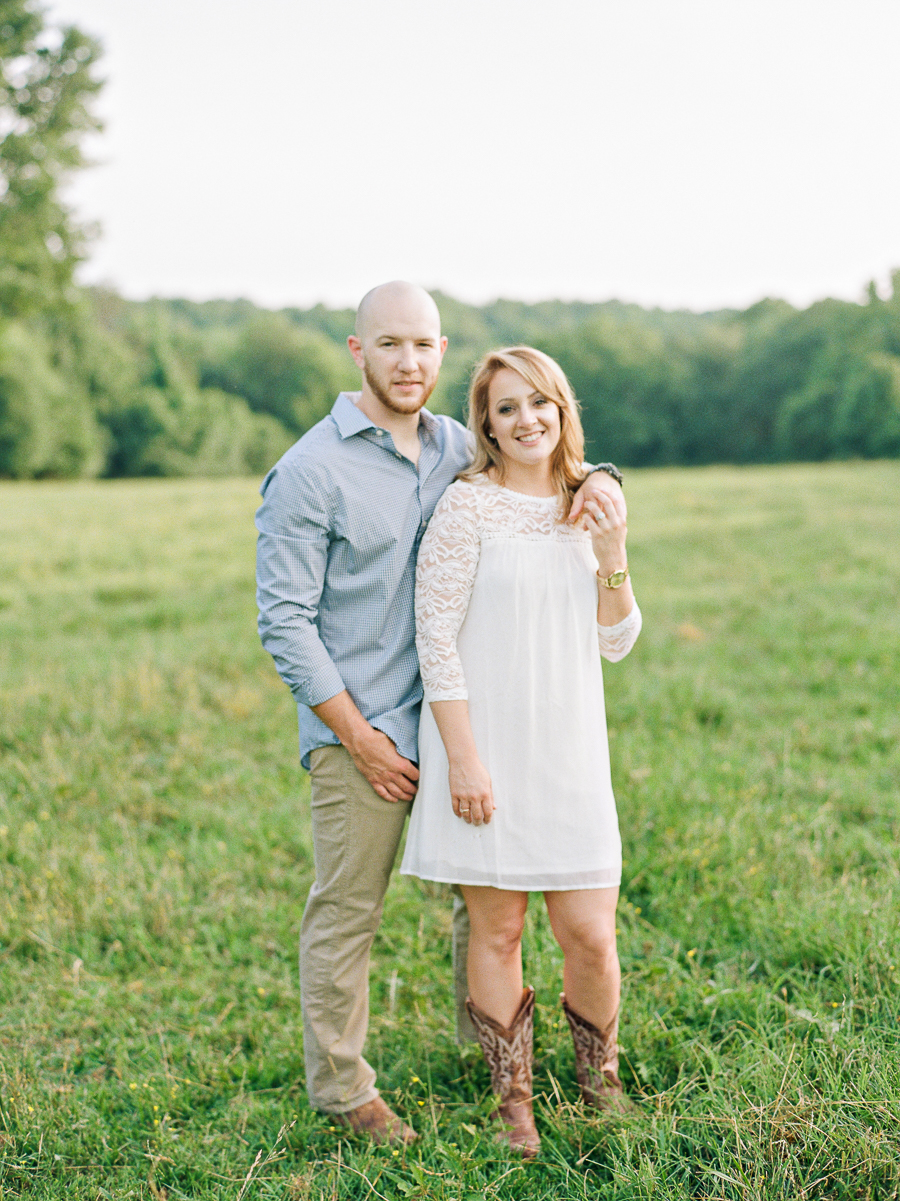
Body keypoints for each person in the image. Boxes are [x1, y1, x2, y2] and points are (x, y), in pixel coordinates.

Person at [256, 283, 625, 1145]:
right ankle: (345, 1090)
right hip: (368, 724)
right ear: (357, 351)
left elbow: (547, 458)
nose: (408, 361)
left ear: (440, 349)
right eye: (389, 345)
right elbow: (284, 622)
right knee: (349, 909)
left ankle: (491, 1051)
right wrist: (360, 737)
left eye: (423, 345)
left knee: (483, 906)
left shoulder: (453, 443)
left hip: (470, 715)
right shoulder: (312, 470)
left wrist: (606, 494)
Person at [401, 345, 641, 1157]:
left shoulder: (591, 501)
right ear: (488, 426)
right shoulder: (467, 506)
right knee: (497, 932)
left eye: (540, 402)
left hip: (570, 751)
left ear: (562, 410)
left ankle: (599, 1084)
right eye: (508, 408)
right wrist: (462, 760)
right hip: (486, 747)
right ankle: (514, 1100)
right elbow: (434, 636)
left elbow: (618, 642)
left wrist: (612, 556)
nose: (527, 418)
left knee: (591, 935)